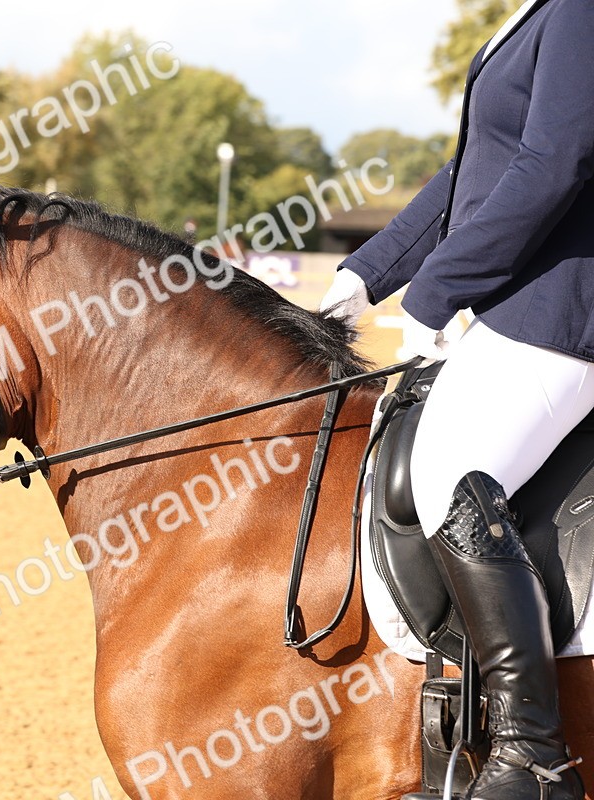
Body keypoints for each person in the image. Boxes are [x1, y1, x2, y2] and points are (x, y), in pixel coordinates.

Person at [319, 1, 594, 797]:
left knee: (449, 472)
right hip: (524, 303)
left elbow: (556, 162)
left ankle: (531, 754)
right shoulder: (533, 15)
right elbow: (468, 176)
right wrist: (362, 279)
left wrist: (438, 294)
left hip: (560, 309)